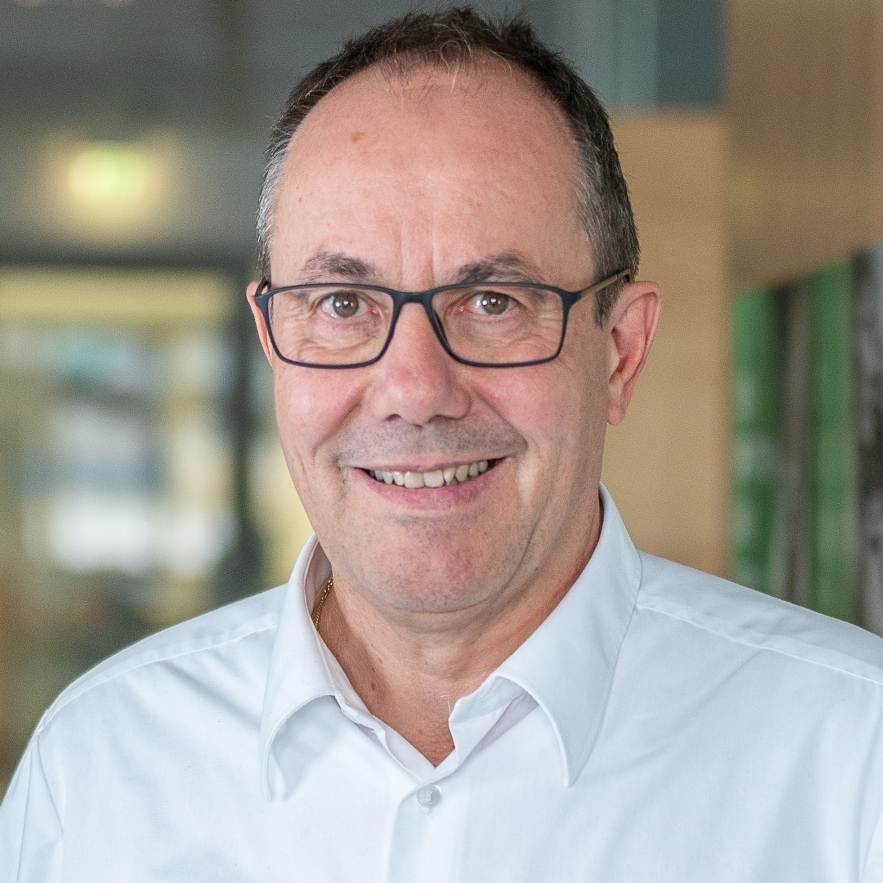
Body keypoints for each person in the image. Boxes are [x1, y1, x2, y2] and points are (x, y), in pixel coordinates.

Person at [3, 8, 883, 881]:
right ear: (272, 344)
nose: (416, 391)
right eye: (342, 304)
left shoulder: (850, 759)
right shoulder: (95, 770)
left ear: (619, 351)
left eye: (493, 302)